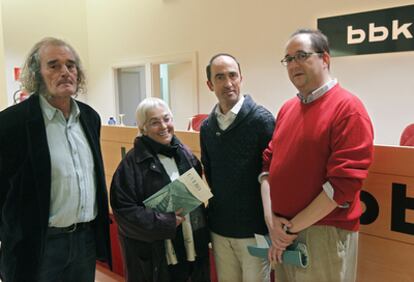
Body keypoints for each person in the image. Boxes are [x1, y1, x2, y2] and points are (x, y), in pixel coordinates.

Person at [260, 29, 374, 282]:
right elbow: (267, 166)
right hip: (283, 232)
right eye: (288, 59)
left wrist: (289, 229)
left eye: (301, 55)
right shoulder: (288, 108)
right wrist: (272, 222)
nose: (293, 64)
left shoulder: (348, 108)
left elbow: (343, 185)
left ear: (325, 59)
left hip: (323, 233)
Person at [0, 37, 111, 281]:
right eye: (54, 65)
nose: (65, 72)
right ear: (36, 74)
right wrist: (10, 236)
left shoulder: (90, 118)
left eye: (70, 65)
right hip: (38, 246)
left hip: (84, 241)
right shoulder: (11, 123)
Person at [110, 97, 210, 282]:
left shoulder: (187, 155)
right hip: (155, 259)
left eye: (167, 119)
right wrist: (167, 222)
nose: (164, 126)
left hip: (191, 253)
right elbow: (124, 213)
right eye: (154, 122)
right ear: (143, 128)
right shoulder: (130, 166)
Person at [200, 53, 275, 282]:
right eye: (220, 77)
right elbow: (210, 174)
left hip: (255, 232)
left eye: (233, 75)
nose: (228, 83)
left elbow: (273, 177)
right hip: (220, 230)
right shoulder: (206, 127)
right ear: (210, 84)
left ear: (241, 78)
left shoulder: (262, 121)